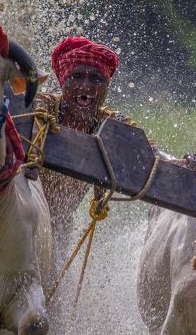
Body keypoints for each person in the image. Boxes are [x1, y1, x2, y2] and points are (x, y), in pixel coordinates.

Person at [34, 36, 128, 270]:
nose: (86, 86)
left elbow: (147, 150)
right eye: (77, 76)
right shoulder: (43, 107)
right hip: (24, 216)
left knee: (53, 294)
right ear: (63, 82)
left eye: (96, 79)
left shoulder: (110, 124)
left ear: (105, 87)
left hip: (61, 225)